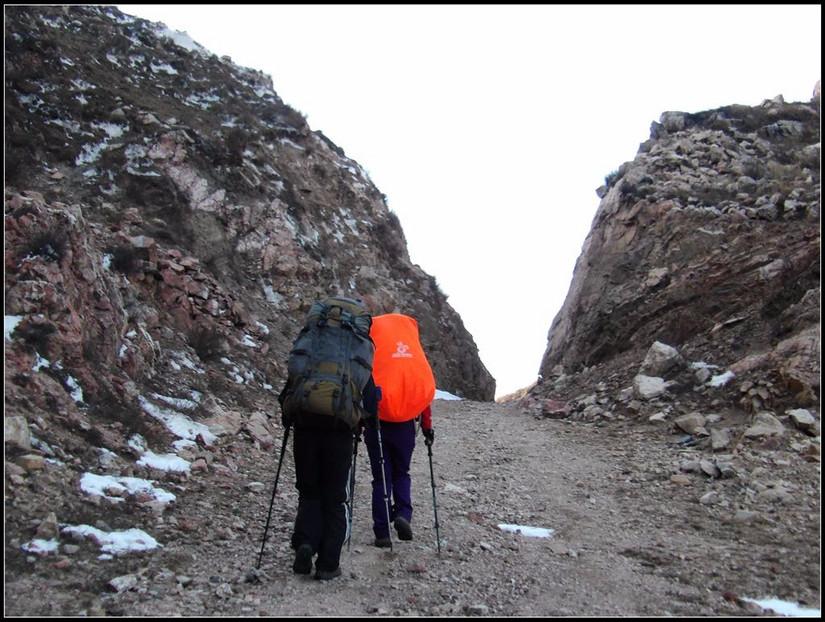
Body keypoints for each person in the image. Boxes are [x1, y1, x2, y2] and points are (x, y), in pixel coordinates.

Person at [278, 297, 379, 580]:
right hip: (340, 429)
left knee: (309, 489)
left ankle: (306, 542)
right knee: (335, 496)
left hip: (306, 422)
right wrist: (363, 420)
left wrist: (290, 416)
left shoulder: (314, 340)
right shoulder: (357, 349)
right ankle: (327, 564)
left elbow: (290, 383)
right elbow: (370, 399)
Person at [363, 313, 435, 547]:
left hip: (377, 422)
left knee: (381, 477)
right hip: (405, 424)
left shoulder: (373, 352)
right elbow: (421, 395)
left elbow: (361, 387)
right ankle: (403, 515)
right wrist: (427, 427)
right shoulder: (411, 360)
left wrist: (357, 423)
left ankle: (382, 533)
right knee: (402, 472)